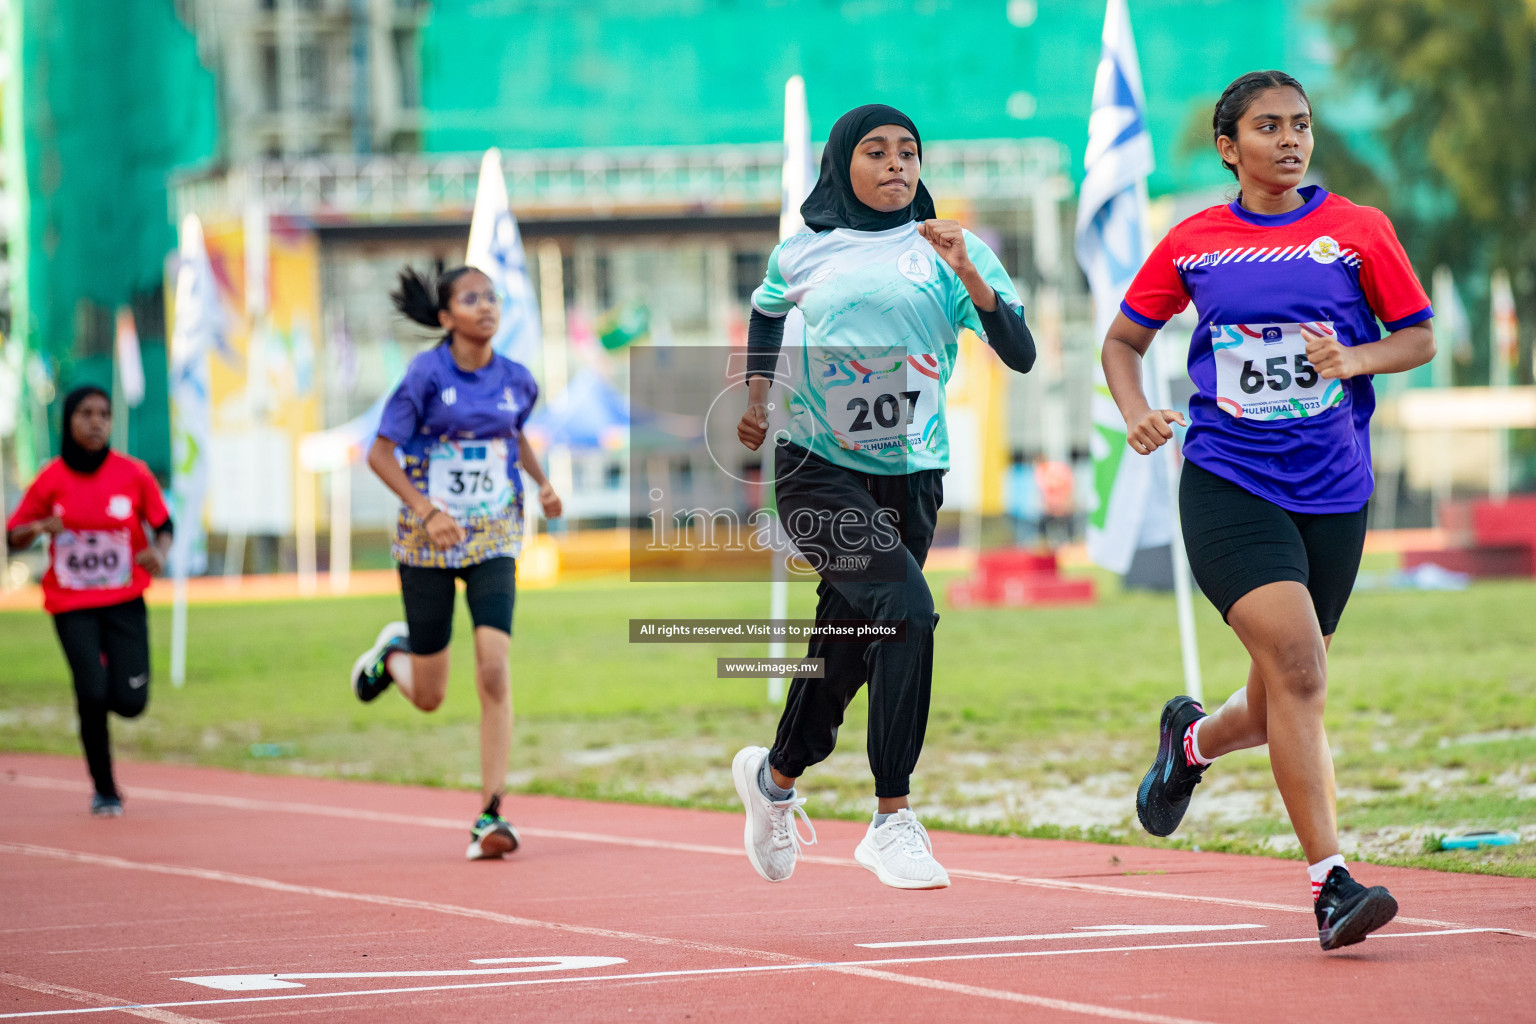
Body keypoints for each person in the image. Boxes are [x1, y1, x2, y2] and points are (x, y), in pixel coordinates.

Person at [1103, 71, 1435, 950]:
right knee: (1303, 672)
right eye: (1268, 127)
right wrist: (1137, 412)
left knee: (1285, 687)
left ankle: (1192, 745)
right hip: (1228, 480)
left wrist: (1355, 360)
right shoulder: (1196, 241)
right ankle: (1331, 882)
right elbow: (1124, 339)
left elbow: (1419, 334)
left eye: (1301, 125)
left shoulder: (1359, 232)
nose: (1290, 140)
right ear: (1229, 147)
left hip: (1334, 488)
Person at [733, 103, 1036, 890]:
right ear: (844, 165)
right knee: (908, 609)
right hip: (814, 468)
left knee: (844, 650)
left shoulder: (950, 251)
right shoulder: (804, 251)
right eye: (878, 152)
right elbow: (767, 309)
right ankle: (892, 818)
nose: (898, 164)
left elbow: (1022, 354)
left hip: (910, 477)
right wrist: (758, 393)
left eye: (910, 151)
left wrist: (969, 269)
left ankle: (774, 781)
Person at [348, 264, 561, 861]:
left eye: (491, 297)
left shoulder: (517, 379)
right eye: (471, 299)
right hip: (428, 544)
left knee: (494, 668)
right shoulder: (424, 375)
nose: (485, 307)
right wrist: (424, 509)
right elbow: (380, 453)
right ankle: (395, 656)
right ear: (446, 317)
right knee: (431, 696)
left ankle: (490, 813)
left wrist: (542, 484)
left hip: (494, 535)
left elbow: (510, 435)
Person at [6, 385, 174, 816]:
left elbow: (163, 522)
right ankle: (105, 789)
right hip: (71, 604)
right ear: (69, 421)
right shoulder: (51, 479)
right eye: (85, 414)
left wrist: (160, 552)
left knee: (131, 702)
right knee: (91, 692)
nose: (96, 422)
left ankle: (117, 693)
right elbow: (14, 534)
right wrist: (43, 525)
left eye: (103, 414)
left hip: (124, 599)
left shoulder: (133, 473)